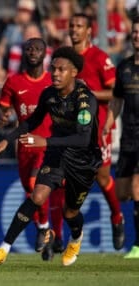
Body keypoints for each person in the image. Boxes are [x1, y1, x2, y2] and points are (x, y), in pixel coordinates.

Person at [0, 46, 102, 267]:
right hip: (56, 155)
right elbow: (33, 120)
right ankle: (3, 248)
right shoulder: (49, 94)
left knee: (70, 213)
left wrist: (44, 141)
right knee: (37, 196)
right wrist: (6, 139)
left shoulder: (85, 100)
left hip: (83, 161)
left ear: (74, 72)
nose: (55, 74)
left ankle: (75, 238)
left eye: (61, 70)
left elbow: (83, 139)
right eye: (53, 69)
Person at [0, 37, 67, 261]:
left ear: (45, 54)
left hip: (48, 145)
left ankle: (46, 228)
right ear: (24, 53)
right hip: (25, 146)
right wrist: (2, 116)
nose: (33, 51)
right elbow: (2, 109)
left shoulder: (53, 81)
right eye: (29, 48)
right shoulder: (14, 82)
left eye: (38, 48)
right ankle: (46, 231)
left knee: (34, 185)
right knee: (32, 193)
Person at [69, 13, 125, 250]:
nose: (74, 30)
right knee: (64, 180)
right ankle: (60, 235)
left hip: (99, 127)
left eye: (79, 26)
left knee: (102, 177)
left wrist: (87, 92)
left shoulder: (99, 58)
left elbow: (115, 92)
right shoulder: (65, 59)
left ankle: (116, 217)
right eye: (71, 25)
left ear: (89, 31)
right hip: (71, 129)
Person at [105, 17, 139, 258]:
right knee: (123, 193)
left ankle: (138, 246)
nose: (137, 36)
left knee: (137, 188)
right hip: (128, 136)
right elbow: (117, 99)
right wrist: (107, 124)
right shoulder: (124, 67)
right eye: (135, 32)